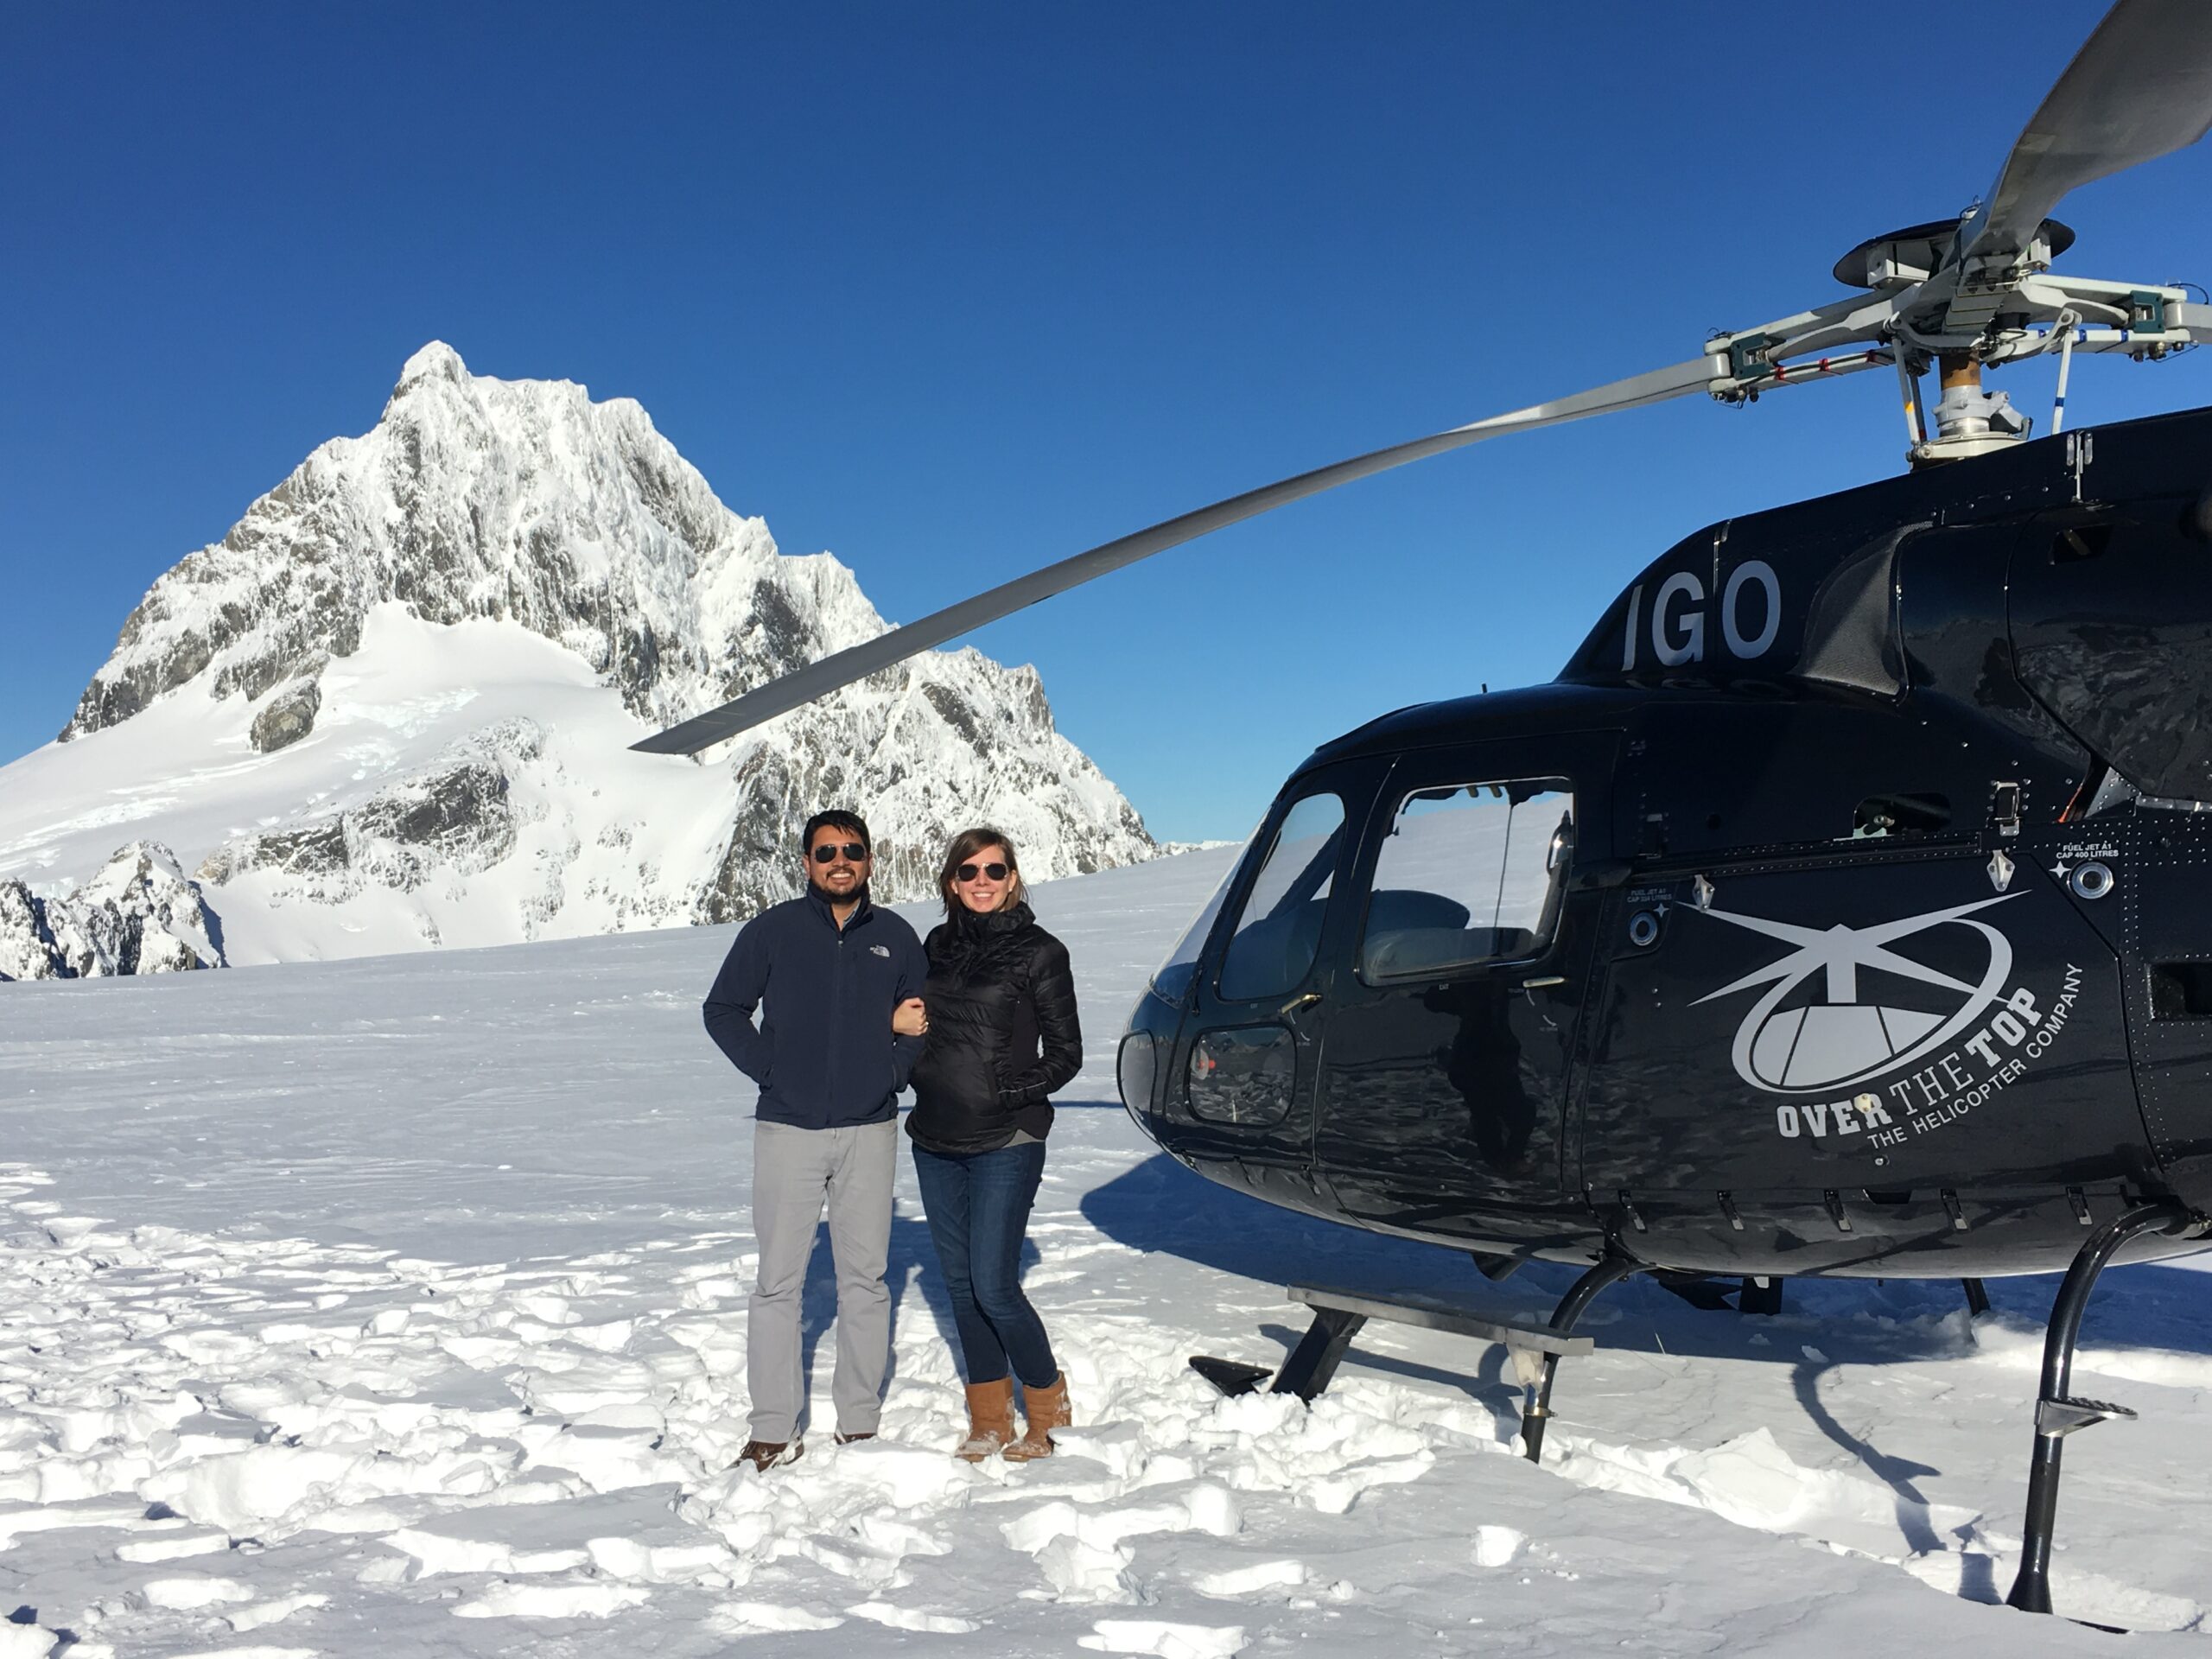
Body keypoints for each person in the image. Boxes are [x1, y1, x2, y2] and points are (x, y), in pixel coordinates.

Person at [702, 810, 928, 1472]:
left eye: (852, 850)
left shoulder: (895, 935)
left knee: (867, 1279)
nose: (840, 860)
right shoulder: (772, 931)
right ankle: (773, 1425)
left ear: (869, 860)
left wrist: (894, 1072)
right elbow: (723, 1010)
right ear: (806, 862)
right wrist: (771, 1068)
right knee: (778, 1282)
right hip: (787, 1131)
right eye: (826, 850)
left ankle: (858, 1419)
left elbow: (921, 1019)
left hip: (869, 1129)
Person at [893, 827, 1081, 1460]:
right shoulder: (935, 947)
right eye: (969, 871)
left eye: (994, 871)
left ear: (1012, 878)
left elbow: (1066, 1054)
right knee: (960, 1284)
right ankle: (989, 1417)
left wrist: (1008, 1092)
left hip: (1007, 1137)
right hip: (935, 1135)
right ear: (952, 881)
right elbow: (916, 1021)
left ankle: (1047, 1403)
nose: (982, 881)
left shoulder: (1040, 952)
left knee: (995, 1286)